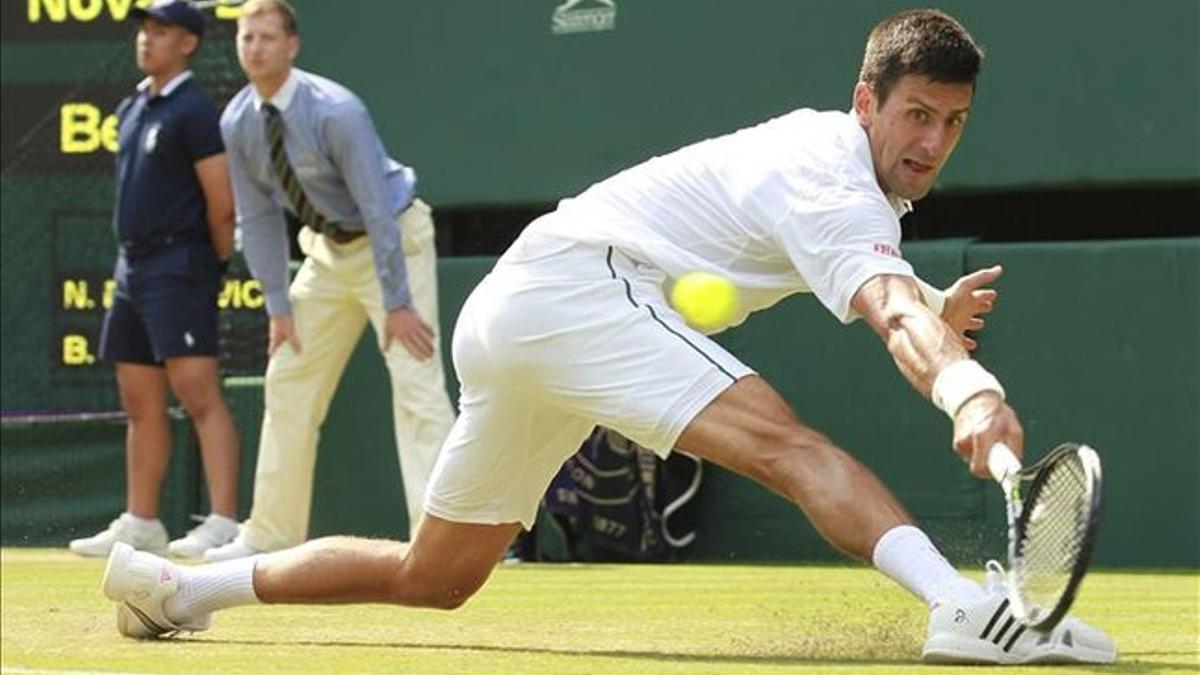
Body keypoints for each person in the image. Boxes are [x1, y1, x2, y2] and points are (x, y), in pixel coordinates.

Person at [100, 8, 1115, 665]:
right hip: (583, 288)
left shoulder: (840, 179)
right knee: (794, 447)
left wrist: (927, 306)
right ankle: (958, 608)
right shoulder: (833, 175)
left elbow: (883, 287)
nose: (932, 143)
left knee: (435, 576)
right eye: (917, 115)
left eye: (954, 123)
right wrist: (966, 388)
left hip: (515, 308)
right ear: (867, 103)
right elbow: (884, 309)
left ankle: (180, 589)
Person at [200, 0, 456, 562]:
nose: (256, 48)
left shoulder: (335, 111)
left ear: (291, 47)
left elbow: (375, 207)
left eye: (268, 38)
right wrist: (277, 307)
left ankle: (445, 540)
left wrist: (398, 302)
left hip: (393, 243)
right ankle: (269, 534)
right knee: (288, 379)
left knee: (417, 385)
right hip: (325, 257)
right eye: (247, 38)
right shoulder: (238, 121)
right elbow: (260, 217)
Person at [69, 0, 241, 560]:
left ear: (188, 42)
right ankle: (142, 523)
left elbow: (222, 204)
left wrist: (208, 268)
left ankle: (222, 523)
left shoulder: (194, 111)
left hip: (180, 265)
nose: (147, 39)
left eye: (161, 30)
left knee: (198, 395)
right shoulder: (134, 105)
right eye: (145, 29)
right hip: (133, 268)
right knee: (139, 400)